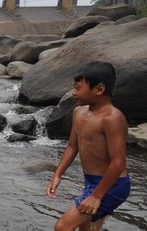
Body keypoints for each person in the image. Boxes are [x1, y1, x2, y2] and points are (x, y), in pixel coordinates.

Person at [47, 61, 131, 231]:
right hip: (91, 181)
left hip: (113, 184)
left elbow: (118, 162)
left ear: (99, 89)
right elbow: (72, 146)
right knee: (85, 228)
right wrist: (58, 174)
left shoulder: (112, 118)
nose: (73, 92)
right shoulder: (78, 112)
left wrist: (96, 196)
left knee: (62, 227)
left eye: (78, 88)